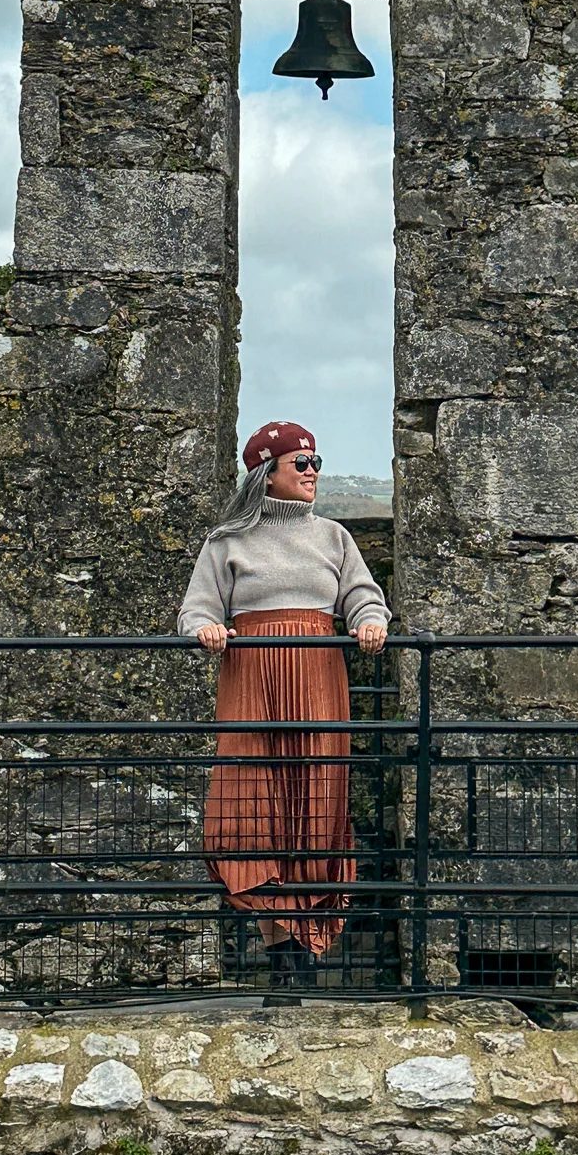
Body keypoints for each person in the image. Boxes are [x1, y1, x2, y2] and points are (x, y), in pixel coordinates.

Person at [177, 419, 390, 986]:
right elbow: (196, 608)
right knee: (249, 816)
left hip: (318, 684)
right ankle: (280, 956)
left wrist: (368, 620)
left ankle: (302, 959)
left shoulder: (334, 538)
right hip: (252, 686)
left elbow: (363, 594)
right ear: (266, 473)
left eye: (317, 462)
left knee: (315, 807)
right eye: (302, 463)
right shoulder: (227, 542)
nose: (313, 472)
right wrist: (207, 629)